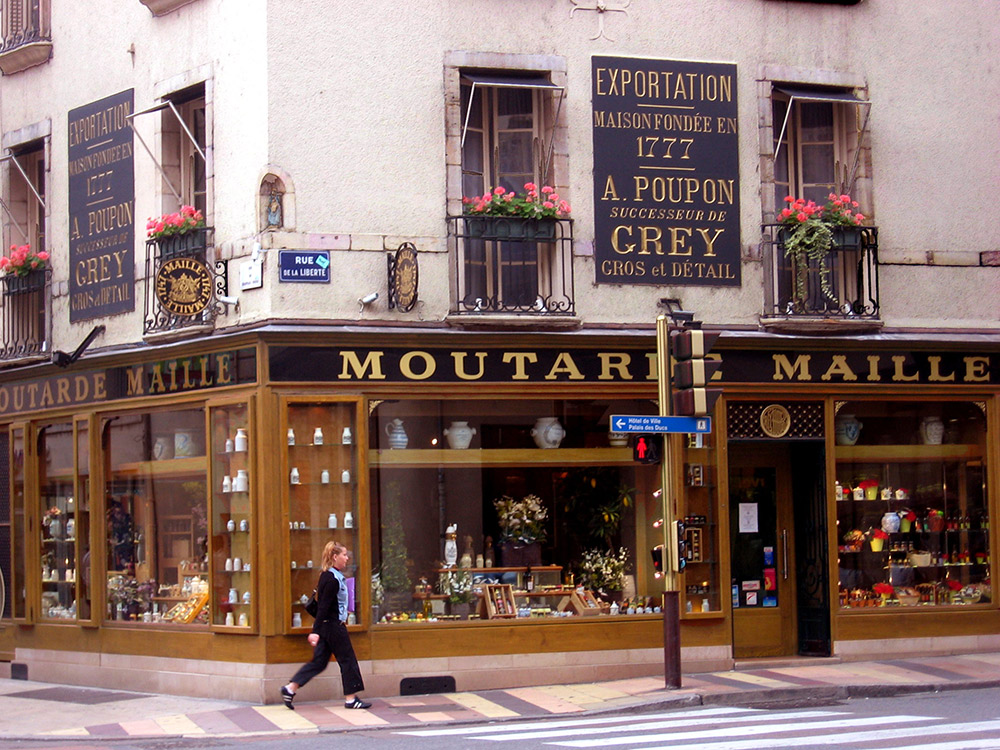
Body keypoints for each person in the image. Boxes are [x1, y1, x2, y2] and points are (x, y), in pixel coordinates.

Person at [281, 542, 371, 710]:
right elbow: (323, 607)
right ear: (334, 557)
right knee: (347, 660)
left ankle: (290, 688)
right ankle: (351, 699)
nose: (347, 558)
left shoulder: (328, 575)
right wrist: (315, 632)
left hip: (326, 627)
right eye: (344, 554)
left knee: (319, 662)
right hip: (333, 627)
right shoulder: (332, 579)